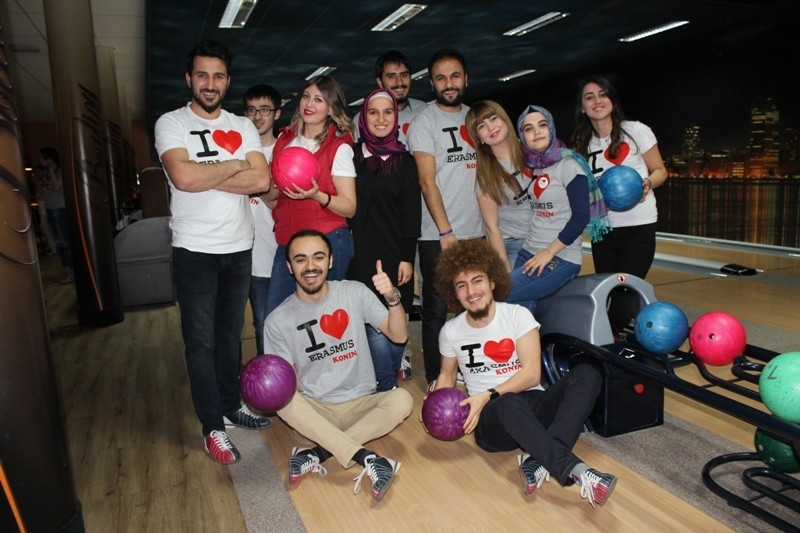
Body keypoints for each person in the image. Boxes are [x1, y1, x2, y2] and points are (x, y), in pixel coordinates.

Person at [430, 238, 617, 507]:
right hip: (491, 418)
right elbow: (447, 376)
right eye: (462, 285)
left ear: (492, 282)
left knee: (588, 373)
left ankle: (539, 458)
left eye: (477, 281)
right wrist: (435, 408)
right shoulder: (451, 331)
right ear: (454, 293)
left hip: (530, 402)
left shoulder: (517, 315)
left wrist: (487, 393)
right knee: (507, 402)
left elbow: (531, 374)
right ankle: (576, 471)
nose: (471, 291)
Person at [154, 40, 272, 465]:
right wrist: (236, 165)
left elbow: (261, 181)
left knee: (228, 337)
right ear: (189, 78)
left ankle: (230, 404)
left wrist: (205, 173)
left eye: (218, 76)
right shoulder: (171, 122)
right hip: (194, 250)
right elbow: (183, 178)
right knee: (200, 342)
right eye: (202, 75)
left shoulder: (242, 125)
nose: (210, 83)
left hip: (238, 248)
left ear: (227, 81)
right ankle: (211, 427)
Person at [263, 229, 413, 502]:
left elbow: (399, 335)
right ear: (289, 266)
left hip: (360, 405)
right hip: (317, 410)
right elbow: (286, 383)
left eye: (318, 257)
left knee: (403, 400)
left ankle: (320, 452)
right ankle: (366, 457)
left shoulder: (354, 292)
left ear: (330, 261)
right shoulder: (277, 320)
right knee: (284, 401)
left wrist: (392, 296)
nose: (310, 266)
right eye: (300, 259)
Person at [406, 48, 484, 385]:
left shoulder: (475, 118)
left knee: (474, 303)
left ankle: (472, 368)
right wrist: (445, 231)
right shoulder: (424, 122)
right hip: (438, 234)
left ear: (466, 78)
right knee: (437, 308)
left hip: (476, 230)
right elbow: (427, 181)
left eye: (454, 76)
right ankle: (438, 376)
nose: (448, 83)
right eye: (441, 78)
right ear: (432, 83)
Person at [347, 88, 421, 392]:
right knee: (369, 323)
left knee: (395, 319)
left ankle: (385, 382)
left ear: (396, 117)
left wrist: (407, 258)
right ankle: (384, 385)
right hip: (356, 253)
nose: (381, 118)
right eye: (373, 112)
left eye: (387, 112)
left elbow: (411, 214)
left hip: (394, 253)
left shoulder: (405, 161)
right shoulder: (351, 155)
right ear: (363, 117)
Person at [263, 75, 357, 315]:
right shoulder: (284, 141)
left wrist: (317, 195)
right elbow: (273, 199)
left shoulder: (338, 147)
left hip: (329, 240)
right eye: (306, 96)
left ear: (331, 108)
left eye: (319, 99)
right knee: (273, 317)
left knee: (325, 316)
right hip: (289, 243)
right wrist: (264, 187)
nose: (309, 104)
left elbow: (349, 207)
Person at [505, 105, 610, 313]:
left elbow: (581, 217)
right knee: (520, 315)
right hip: (528, 251)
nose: (536, 132)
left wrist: (548, 252)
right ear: (522, 136)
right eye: (528, 128)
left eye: (542, 125)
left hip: (560, 257)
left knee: (501, 292)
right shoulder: (535, 166)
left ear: (551, 128)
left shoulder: (569, 164)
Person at [571, 75, 667, 279]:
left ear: (612, 101)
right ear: (582, 107)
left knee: (626, 289)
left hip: (638, 226)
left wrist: (648, 183)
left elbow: (660, 170)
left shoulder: (636, 131)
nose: (597, 101)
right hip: (603, 229)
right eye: (589, 97)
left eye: (602, 94)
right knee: (608, 289)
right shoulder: (582, 144)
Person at [465, 100, 533, 272]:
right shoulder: (486, 174)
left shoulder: (532, 149)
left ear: (504, 118)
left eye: (493, 118)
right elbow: (492, 227)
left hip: (549, 238)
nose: (490, 127)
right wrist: (505, 271)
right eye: (481, 126)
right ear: (478, 137)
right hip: (517, 246)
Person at [243, 83, 282, 355]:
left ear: (277, 113)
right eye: (251, 110)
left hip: (273, 256)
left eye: (265, 109)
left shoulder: (286, 151)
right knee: (235, 327)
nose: (257, 116)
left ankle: (279, 377)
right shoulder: (236, 153)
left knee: (268, 325)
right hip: (237, 254)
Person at [353, 50, 426, 147]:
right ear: (380, 82)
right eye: (391, 76)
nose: (399, 82)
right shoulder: (362, 120)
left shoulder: (424, 111)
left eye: (404, 75)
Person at [38, 147, 73, 283]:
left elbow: (57, 186)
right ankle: (67, 271)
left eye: (42, 158)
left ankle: (69, 272)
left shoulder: (60, 171)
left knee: (63, 241)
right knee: (58, 240)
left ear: (49, 159)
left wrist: (52, 170)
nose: (40, 160)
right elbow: (42, 190)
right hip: (50, 207)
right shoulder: (43, 173)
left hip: (60, 207)